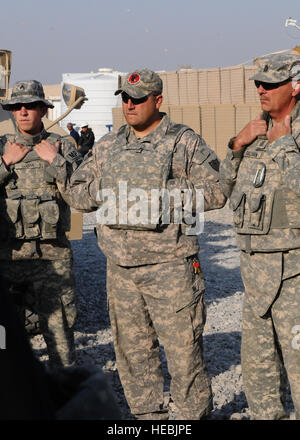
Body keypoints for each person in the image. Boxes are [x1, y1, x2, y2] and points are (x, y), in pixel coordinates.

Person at [36, 68, 226, 420]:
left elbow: (217, 191)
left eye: (137, 99)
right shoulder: (108, 146)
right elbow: (82, 196)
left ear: (158, 100)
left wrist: (156, 197)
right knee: (133, 356)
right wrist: (57, 164)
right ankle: (146, 418)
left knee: (184, 355)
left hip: (171, 267)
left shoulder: (183, 141)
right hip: (120, 272)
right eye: (124, 98)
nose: (129, 104)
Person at [219, 53, 300, 420]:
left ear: (295, 86)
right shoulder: (254, 130)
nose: (261, 89)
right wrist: (237, 144)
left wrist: (284, 147)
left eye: (270, 83)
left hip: (295, 275)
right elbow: (220, 192)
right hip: (255, 274)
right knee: (258, 376)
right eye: (258, 83)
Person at [0, 80, 83, 369]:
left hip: (52, 259)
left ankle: (65, 400)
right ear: (11, 112)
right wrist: (5, 163)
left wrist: (55, 160)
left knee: (60, 336)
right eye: (17, 106)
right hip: (8, 260)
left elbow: (84, 195)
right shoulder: (1, 148)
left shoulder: (63, 146)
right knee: (4, 341)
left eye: (31, 106)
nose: (23, 111)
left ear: (43, 111)